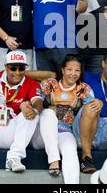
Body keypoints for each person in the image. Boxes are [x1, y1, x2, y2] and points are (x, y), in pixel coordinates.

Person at [32, 54, 97, 184]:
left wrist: (98, 102)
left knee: (70, 150)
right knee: (48, 114)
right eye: (69, 69)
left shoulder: (83, 89)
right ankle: (54, 160)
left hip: (65, 131)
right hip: (42, 134)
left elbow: (90, 112)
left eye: (77, 70)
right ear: (62, 70)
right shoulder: (49, 83)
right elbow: (35, 100)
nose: (73, 73)